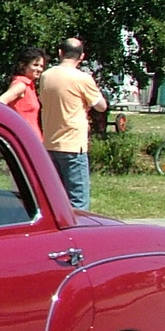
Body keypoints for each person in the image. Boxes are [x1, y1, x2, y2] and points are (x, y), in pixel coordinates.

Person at [38, 38, 107, 211]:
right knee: (78, 200)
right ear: (81, 57)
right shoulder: (82, 78)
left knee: (55, 198)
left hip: (50, 142)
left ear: (60, 53)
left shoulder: (46, 76)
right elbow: (101, 106)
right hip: (73, 144)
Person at [0, 46, 46, 137]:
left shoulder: (29, 86)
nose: (39, 69)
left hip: (32, 138)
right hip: (24, 137)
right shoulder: (21, 85)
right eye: (35, 65)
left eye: (41, 66)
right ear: (23, 65)